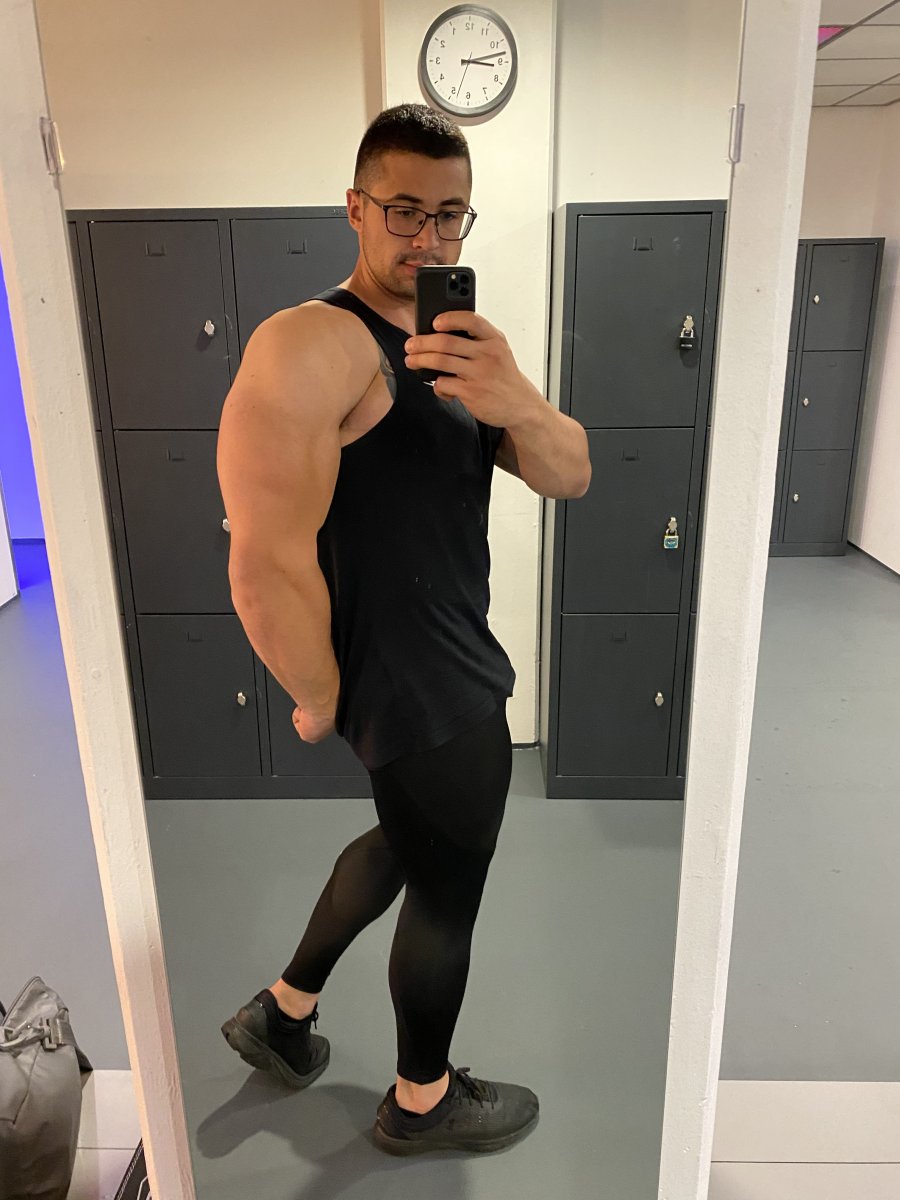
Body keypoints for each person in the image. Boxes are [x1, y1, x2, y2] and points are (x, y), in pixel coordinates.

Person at [216, 103, 591, 1156]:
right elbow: (262, 560)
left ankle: (284, 1010)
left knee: (406, 840)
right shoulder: (310, 344)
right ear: (356, 208)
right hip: (426, 694)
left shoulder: (454, 349)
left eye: (450, 215)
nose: (428, 238)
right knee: (447, 895)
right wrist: (319, 696)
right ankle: (420, 1102)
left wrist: (515, 397)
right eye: (404, 211)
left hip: (441, 667)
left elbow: (569, 473)